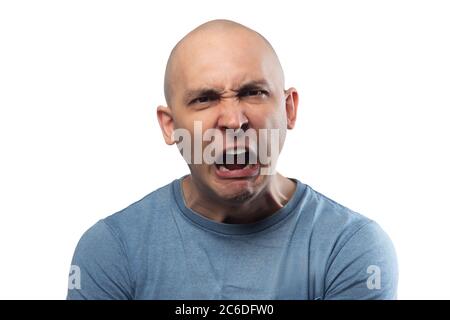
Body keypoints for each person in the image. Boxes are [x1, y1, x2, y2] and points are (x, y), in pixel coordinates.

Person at [67, 19, 398, 300]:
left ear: (289, 109)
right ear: (170, 127)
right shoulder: (113, 249)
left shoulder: (350, 246)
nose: (232, 120)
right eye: (204, 99)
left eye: (253, 92)